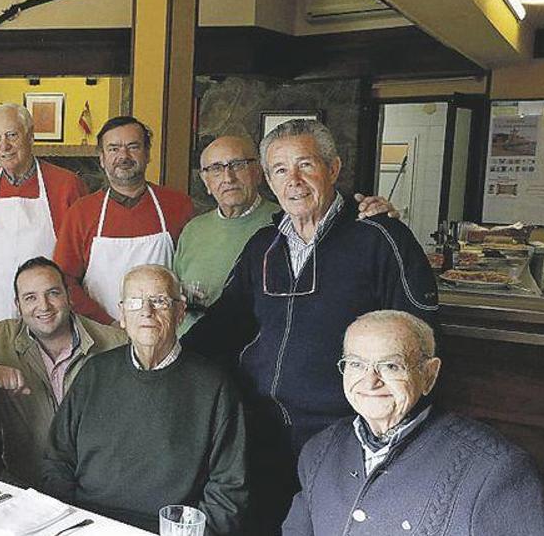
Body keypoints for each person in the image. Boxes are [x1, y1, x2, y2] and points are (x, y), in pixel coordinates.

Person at [182, 119, 439, 533]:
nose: (294, 181)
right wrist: (163, 359)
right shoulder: (263, 246)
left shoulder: (380, 237)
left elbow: (419, 337)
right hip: (260, 429)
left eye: (306, 165)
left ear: (333, 169)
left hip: (342, 433)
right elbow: (224, 324)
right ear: (268, 179)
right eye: (281, 170)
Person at [284, 310, 544, 536]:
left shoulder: (495, 470)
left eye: (391, 366)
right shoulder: (319, 450)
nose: (370, 382)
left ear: (429, 374)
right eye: (356, 364)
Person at [42, 265, 247, 534]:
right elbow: (57, 460)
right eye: (135, 302)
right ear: (123, 315)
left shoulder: (214, 386)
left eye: (159, 301)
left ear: (180, 313)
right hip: (86, 524)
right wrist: (65, 522)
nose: (146, 311)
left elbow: (229, 488)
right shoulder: (94, 373)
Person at [174, 135, 396, 335]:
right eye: (215, 168)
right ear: (205, 182)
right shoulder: (195, 229)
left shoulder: (284, 224)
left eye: (238, 165)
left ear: (259, 173)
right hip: (206, 356)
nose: (228, 177)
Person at [0, 257, 127, 489]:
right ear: (18, 304)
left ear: (69, 295)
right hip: (24, 483)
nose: (43, 306)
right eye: (30, 298)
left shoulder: (115, 343)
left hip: (98, 490)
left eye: (53, 293)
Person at [0, 104, 87, 340]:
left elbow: (79, 264)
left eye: (12, 135)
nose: (3, 146)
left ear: (30, 136)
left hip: (50, 319)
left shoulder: (66, 186)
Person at [52, 116, 194, 325]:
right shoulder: (81, 213)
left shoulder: (178, 206)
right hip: (100, 333)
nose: (123, 156)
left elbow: (190, 275)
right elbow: (64, 281)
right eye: (113, 149)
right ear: (101, 158)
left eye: (133, 147)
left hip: (164, 329)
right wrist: (106, 323)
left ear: (147, 154)